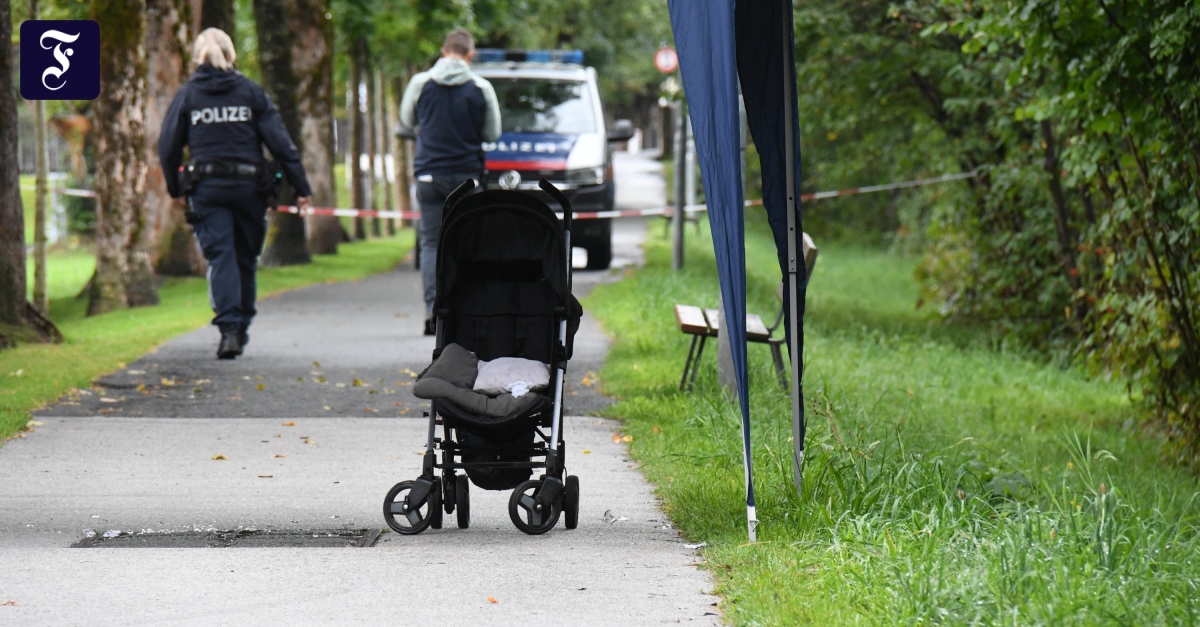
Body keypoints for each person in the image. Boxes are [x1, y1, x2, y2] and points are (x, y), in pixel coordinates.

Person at [158, 28, 312, 359]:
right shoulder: (251, 93)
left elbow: (167, 147)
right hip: (249, 190)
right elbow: (282, 145)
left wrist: (176, 187)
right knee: (244, 256)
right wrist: (301, 189)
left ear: (196, 59)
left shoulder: (187, 96)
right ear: (231, 57)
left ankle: (229, 329)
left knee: (221, 256)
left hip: (207, 190)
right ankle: (241, 326)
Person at [400, 28, 502, 335]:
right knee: (466, 244)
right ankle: (462, 313)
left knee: (431, 243)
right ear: (470, 55)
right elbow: (492, 134)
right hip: (467, 179)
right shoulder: (481, 87)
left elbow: (406, 120)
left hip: (429, 175)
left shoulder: (420, 83)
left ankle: (434, 314)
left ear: (444, 51)